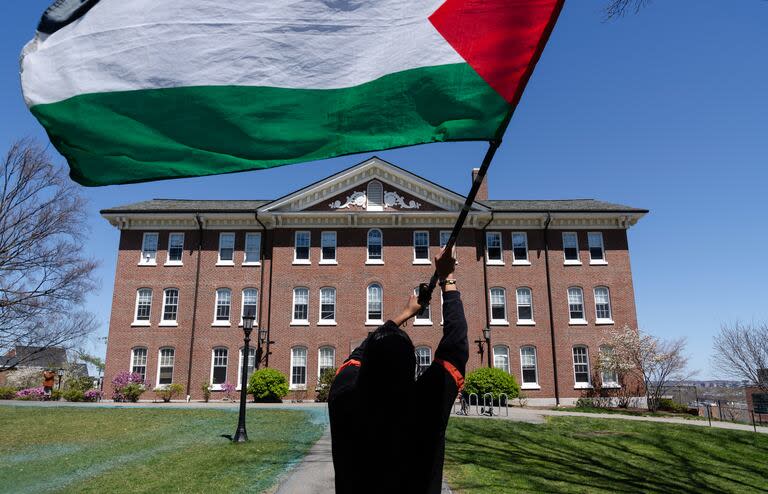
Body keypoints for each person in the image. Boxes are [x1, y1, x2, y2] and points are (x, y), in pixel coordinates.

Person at [329, 249, 468, 494]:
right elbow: (456, 344)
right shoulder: (425, 404)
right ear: (411, 366)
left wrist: (401, 316)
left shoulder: (343, 397)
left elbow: (359, 354)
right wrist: (448, 279)